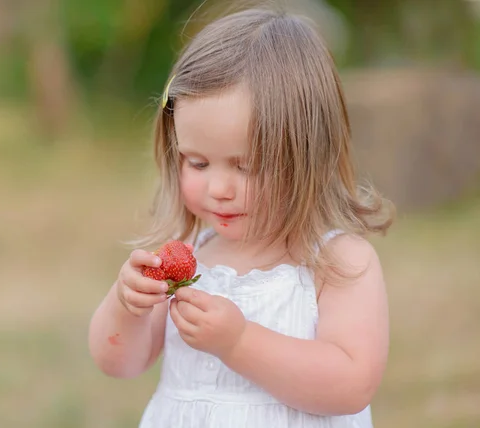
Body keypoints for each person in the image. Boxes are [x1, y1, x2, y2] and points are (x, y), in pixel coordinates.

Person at [88, 5, 395, 428]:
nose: (218, 189)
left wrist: (240, 342)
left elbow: (351, 385)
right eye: (197, 163)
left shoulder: (338, 263)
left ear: (308, 157)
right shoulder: (188, 257)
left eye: (245, 166)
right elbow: (118, 362)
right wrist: (127, 306)